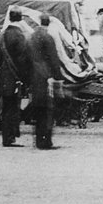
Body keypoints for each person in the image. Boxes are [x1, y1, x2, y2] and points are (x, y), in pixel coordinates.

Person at [0, 8, 33, 147]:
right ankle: (10, 139)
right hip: (15, 77)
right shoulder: (19, 35)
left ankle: (7, 138)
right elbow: (23, 59)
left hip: (4, 76)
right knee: (13, 109)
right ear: (21, 18)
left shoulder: (2, 35)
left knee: (6, 108)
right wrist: (26, 78)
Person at [27, 12, 64, 149]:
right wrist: (58, 76)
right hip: (46, 76)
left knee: (38, 109)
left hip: (34, 76)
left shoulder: (31, 37)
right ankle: (46, 142)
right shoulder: (47, 37)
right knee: (47, 110)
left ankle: (38, 140)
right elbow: (54, 59)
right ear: (48, 24)